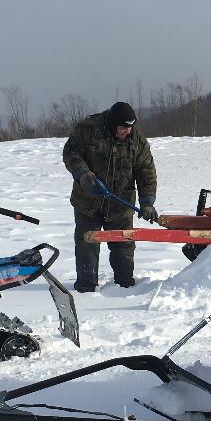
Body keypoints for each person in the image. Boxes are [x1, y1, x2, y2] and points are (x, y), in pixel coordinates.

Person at [62, 101, 158, 291]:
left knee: (123, 246)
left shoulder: (136, 139)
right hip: (87, 203)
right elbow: (71, 153)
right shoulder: (87, 129)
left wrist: (147, 202)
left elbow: (146, 171)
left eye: (131, 127)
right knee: (87, 244)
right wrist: (82, 173)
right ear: (113, 124)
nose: (127, 131)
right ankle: (86, 289)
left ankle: (125, 287)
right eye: (123, 127)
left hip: (121, 205)